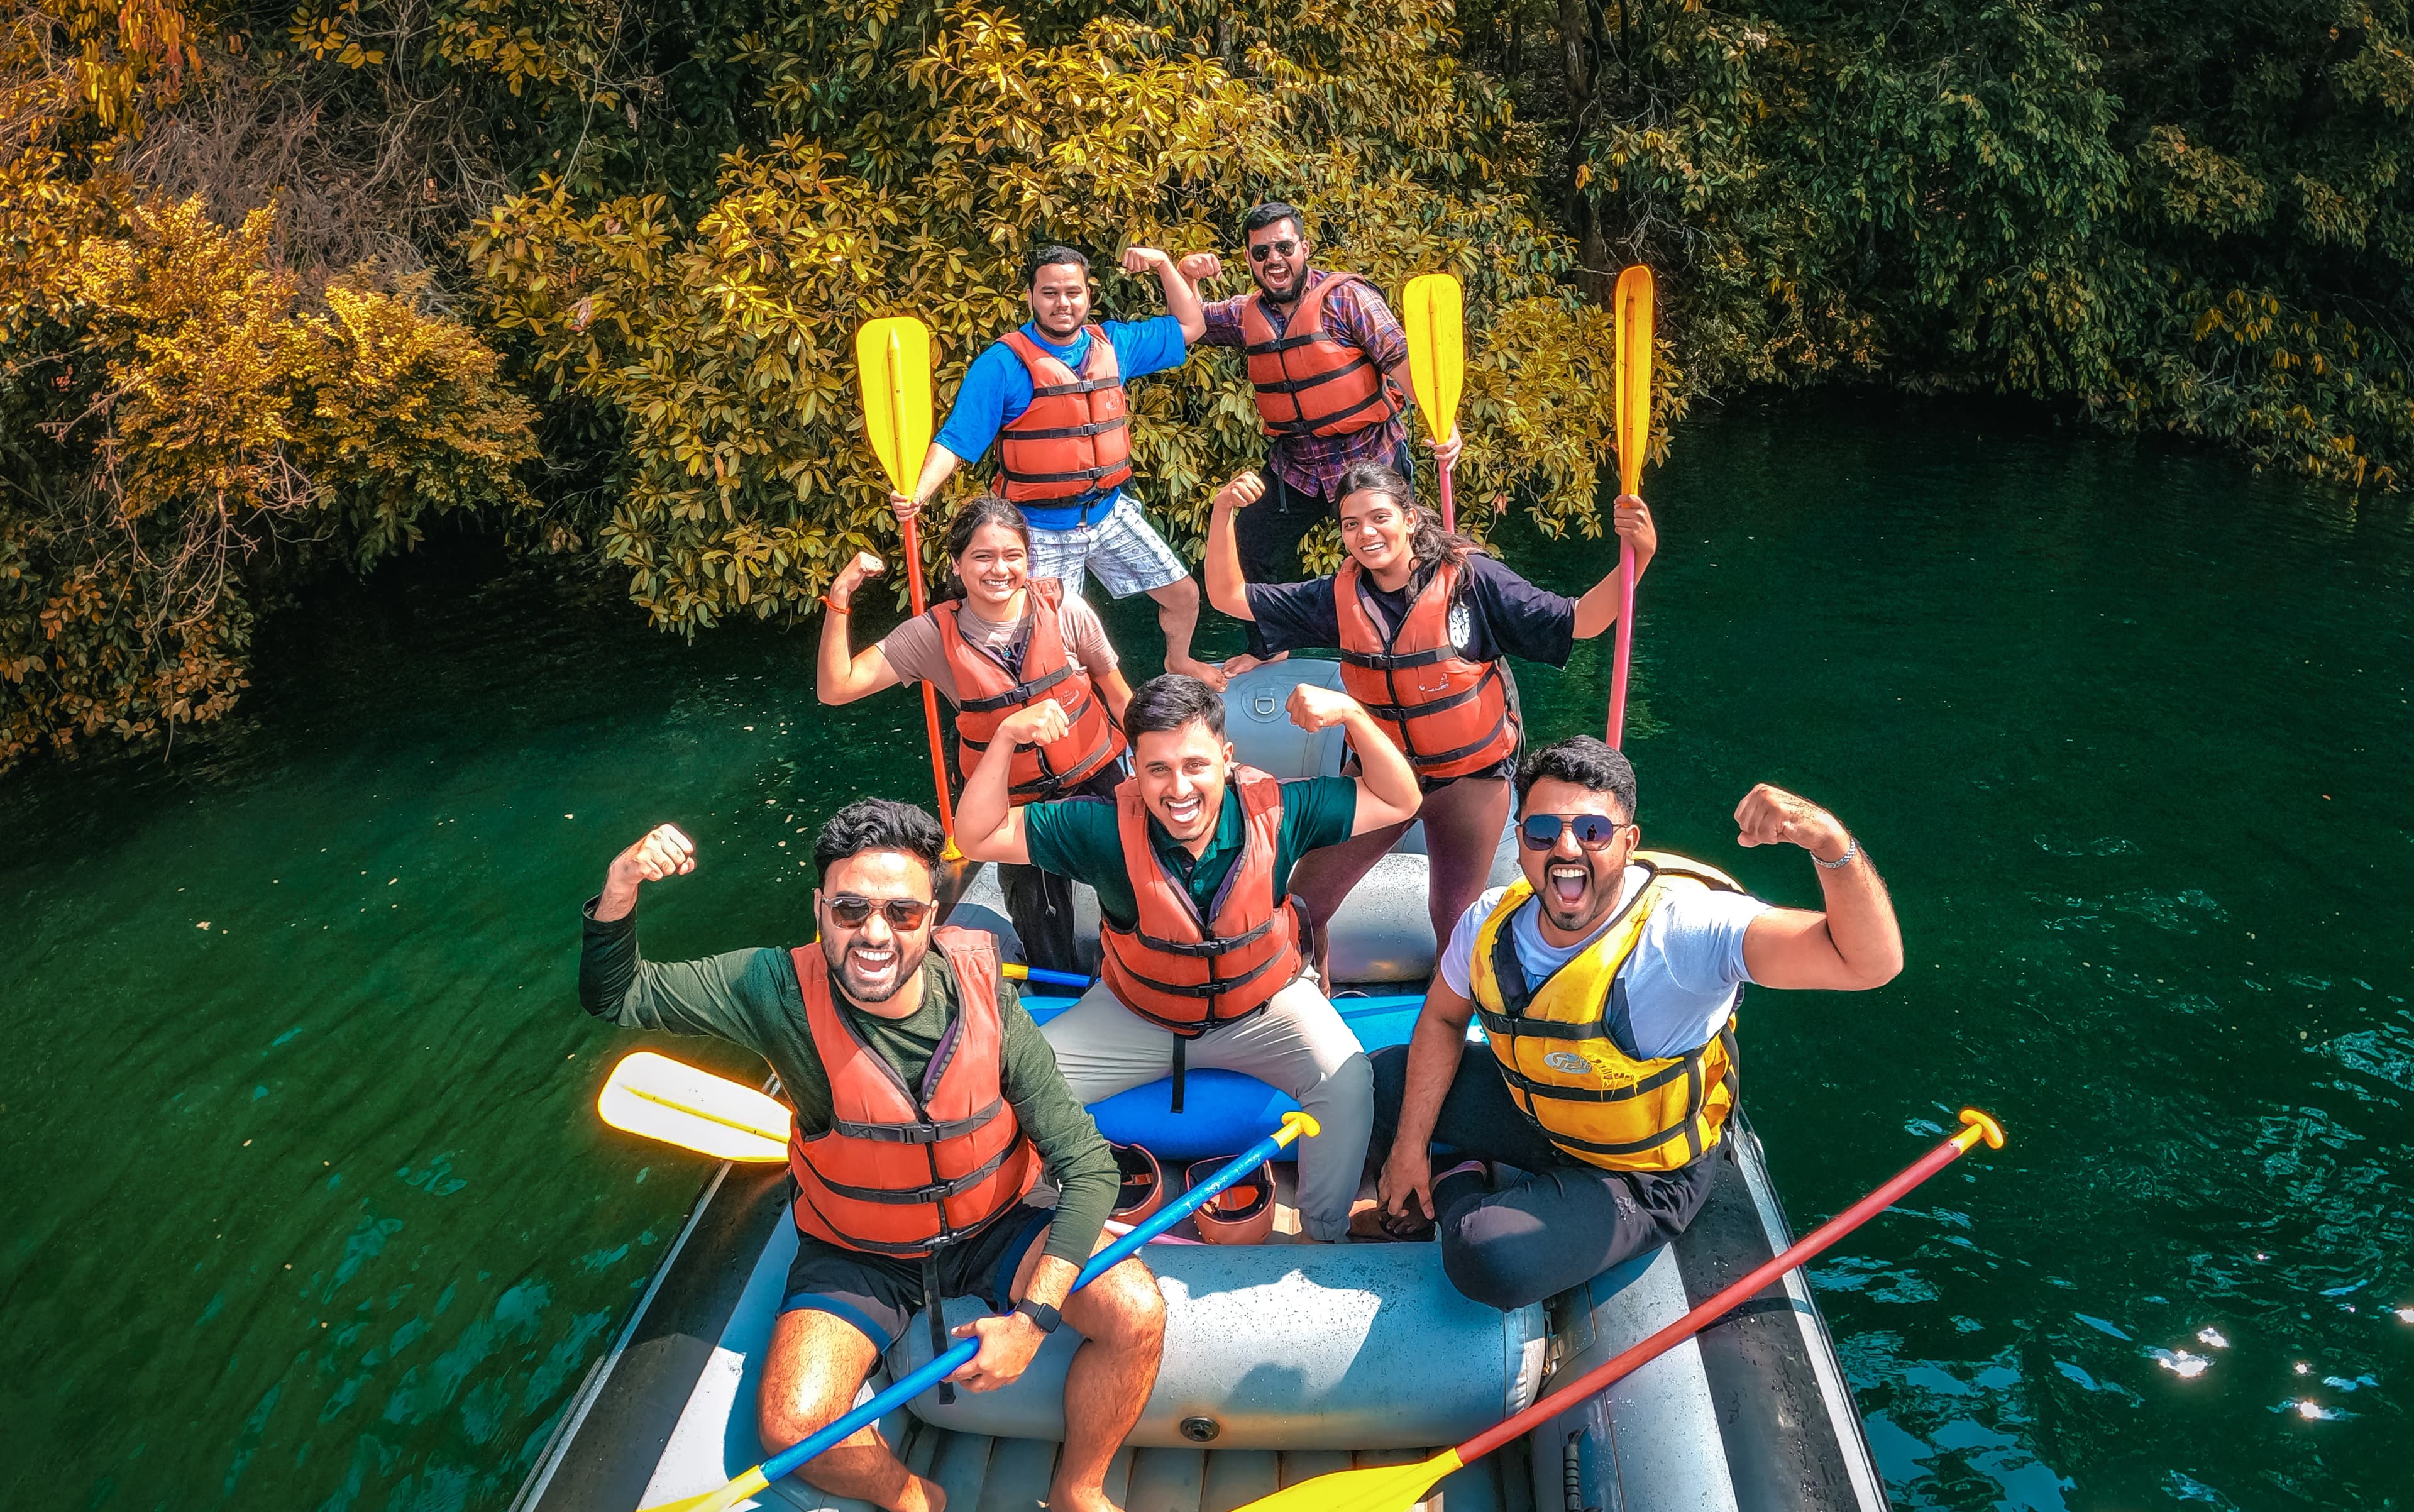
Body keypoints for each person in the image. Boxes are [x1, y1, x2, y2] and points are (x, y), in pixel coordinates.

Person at [579, 799, 1163, 1512]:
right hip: (858, 1249)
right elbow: (616, 994)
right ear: (819, 907)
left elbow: (1088, 1163)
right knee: (793, 1423)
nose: (875, 934)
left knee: (1136, 1309)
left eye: (903, 913)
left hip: (999, 1220)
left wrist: (1031, 1322)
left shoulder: (982, 988)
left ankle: (1079, 1487)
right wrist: (621, 884)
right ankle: (916, 1497)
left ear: (934, 914)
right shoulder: (772, 988)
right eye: (851, 909)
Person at [1369, 737, 1904, 1310]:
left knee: (1487, 1256)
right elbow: (1445, 1021)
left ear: (1629, 842)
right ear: (1521, 840)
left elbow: (1869, 963)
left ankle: (1459, 1182)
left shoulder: (1685, 933)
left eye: (1593, 831)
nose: (1566, 848)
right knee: (1381, 1080)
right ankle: (1465, 1170)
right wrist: (1409, 1146)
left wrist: (1828, 842)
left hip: (1642, 1172)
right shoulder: (1490, 921)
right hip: (1543, 1120)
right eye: (1544, 830)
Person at [952, 673, 1423, 1243]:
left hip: (1266, 1006)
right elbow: (978, 836)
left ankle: (1321, 1232)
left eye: (1195, 765)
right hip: (1136, 1014)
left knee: (1348, 1080)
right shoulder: (1100, 829)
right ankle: (1030, 1217)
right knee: (1008, 1085)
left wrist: (1351, 713)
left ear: (1227, 758)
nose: (1179, 789)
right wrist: (1003, 737)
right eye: (1158, 769)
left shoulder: (1281, 810)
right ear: (1134, 767)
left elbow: (1402, 798)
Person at [1203, 460, 1658, 969]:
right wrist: (1224, 513)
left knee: (1454, 924)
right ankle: (1312, 997)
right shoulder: (1338, 596)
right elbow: (1229, 597)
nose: (1365, 534)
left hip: (1470, 783)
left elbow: (1582, 622)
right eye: (1351, 524)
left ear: (1411, 518)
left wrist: (1638, 557)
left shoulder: (1472, 581)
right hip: (1382, 777)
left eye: (1379, 517)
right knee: (1304, 904)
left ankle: (1449, 1029)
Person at [818, 494, 1130, 973]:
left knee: (1137, 889)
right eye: (982, 557)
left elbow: (1118, 694)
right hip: (1016, 807)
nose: (999, 570)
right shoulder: (931, 636)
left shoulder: (1065, 608)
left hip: (1098, 777)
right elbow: (836, 688)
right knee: (1046, 933)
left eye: (1012, 555)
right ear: (957, 565)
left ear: (1029, 558)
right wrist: (839, 599)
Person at [891, 242, 1225, 686]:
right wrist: (917, 494)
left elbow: (1191, 323)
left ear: (1089, 295)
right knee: (1055, 647)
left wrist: (1165, 264)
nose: (1062, 303)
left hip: (1108, 512)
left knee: (1184, 596)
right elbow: (956, 442)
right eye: (1049, 293)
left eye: (1073, 292)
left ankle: (1178, 660)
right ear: (1030, 298)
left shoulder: (1114, 344)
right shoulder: (1002, 365)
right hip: (1039, 527)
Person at [1182, 200, 1462, 659]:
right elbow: (1192, 322)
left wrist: (1443, 422)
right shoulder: (1245, 312)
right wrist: (1186, 277)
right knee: (1254, 535)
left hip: (1371, 457)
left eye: (1284, 247)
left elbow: (1400, 357)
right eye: (1261, 252)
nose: (1274, 259)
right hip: (1298, 466)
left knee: (1395, 552)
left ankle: (1416, 645)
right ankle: (1271, 649)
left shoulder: (1346, 297)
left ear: (1304, 248)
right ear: (1251, 259)